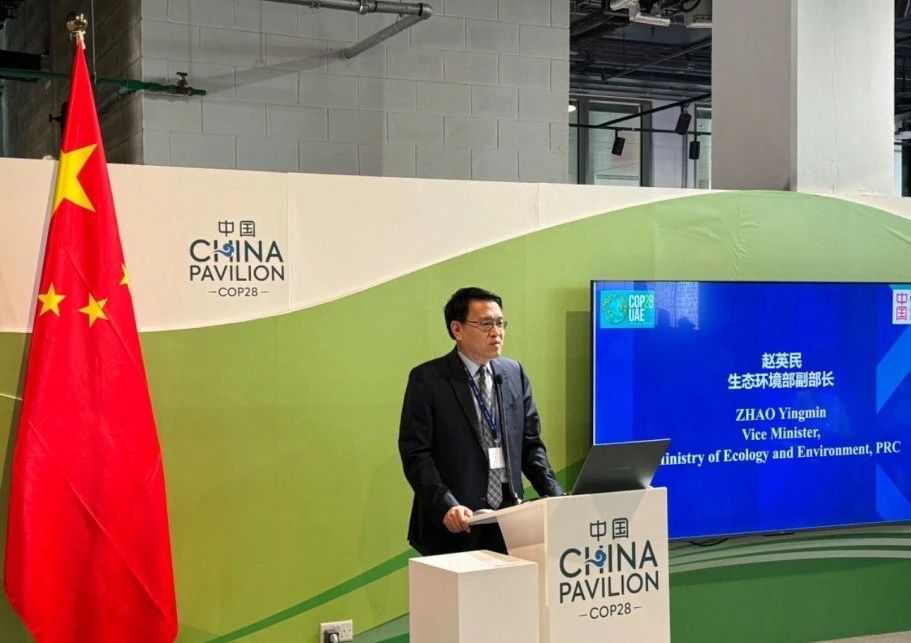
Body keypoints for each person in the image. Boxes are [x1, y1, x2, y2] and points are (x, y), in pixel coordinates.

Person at [398, 286, 564, 556]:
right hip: (456, 524)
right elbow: (416, 454)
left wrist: (556, 496)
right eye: (486, 324)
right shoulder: (428, 379)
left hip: (510, 522)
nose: (496, 332)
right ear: (457, 329)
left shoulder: (514, 373)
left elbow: (530, 444)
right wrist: (445, 505)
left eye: (500, 323)